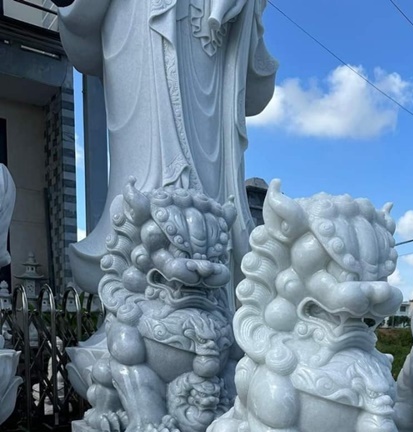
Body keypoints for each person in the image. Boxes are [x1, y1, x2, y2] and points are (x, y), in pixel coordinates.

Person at [57, 0, 277, 295]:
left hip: (211, 39)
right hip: (140, 18)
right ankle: (151, 258)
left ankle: (211, 262)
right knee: (145, 173)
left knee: (214, 188)